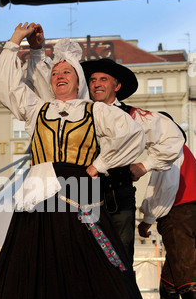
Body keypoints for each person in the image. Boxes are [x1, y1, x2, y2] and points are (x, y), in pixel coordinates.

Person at [0, 22, 154, 299]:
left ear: (79, 80)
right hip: (39, 195)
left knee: (91, 272)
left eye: (67, 71)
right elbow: (1, 85)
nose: (59, 76)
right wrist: (14, 44)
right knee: (48, 273)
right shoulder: (36, 108)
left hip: (79, 191)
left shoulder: (95, 111)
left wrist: (98, 165)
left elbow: (132, 136)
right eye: (55, 73)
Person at [25, 26, 184, 266]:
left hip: (116, 198)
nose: (97, 84)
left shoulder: (134, 115)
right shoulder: (75, 112)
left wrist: (145, 164)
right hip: (78, 197)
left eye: (103, 79)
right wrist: (36, 50)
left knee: (119, 263)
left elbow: (173, 139)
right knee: (81, 263)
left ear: (117, 86)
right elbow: (41, 85)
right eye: (92, 79)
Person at [138, 114, 196, 299]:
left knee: (186, 278)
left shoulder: (168, 150)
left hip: (178, 214)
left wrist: (147, 219)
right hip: (187, 213)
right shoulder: (182, 150)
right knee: (171, 281)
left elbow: (164, 189)